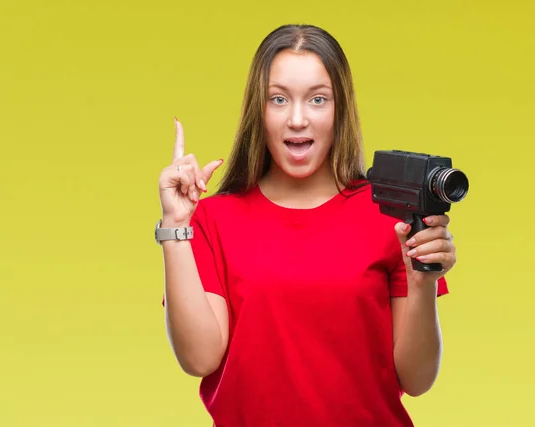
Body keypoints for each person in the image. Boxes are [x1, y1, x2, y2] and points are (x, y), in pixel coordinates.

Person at [156, 24, 455, 427]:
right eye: (278, 99)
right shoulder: (213, 219)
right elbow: (199, 358)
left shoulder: (389, 216)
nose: (297, 119)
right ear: (257, 112)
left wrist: (422, 281)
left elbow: (417, 379)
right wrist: (175, 227)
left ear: (339, 110)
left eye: (317, 99)